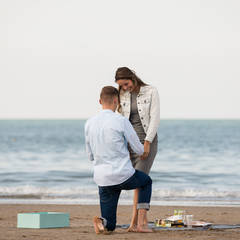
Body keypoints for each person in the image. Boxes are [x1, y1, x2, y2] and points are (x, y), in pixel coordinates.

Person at [85, 86, 153, 234]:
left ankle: (101, 222)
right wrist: (145, 150)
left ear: (99, 101)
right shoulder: (121, 120)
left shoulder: (89, 123)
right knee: (146, 181)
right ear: (117, 101)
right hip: (123, 175)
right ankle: (141, 224)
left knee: (110, 226)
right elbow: (138, 148)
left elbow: (90, 155)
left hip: (102, 179)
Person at [115, 67, 160, 231]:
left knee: (140, 181)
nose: (125, 88)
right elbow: (119, 120)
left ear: (133, 77)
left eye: (126, 84)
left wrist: (147, 142)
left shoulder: (151, 91)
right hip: (128, 144)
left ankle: (135, 223)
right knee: (138, 182)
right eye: (122, 86)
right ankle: (141, 222)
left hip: (146, 141)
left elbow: (155, 118)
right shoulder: (122, 94)